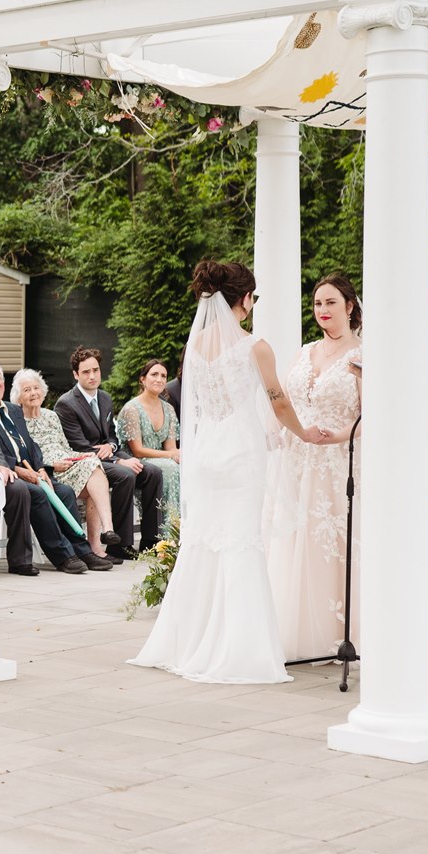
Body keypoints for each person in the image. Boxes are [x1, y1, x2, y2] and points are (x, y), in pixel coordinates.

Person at [129, 260, 326, 685]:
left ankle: (188, 640)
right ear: (244, 299)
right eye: (252, 297)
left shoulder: (195, 344)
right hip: (240, 450)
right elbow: (278, 401)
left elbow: (194, 403)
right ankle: (239, 649)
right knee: (240, 542)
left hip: (208, 450)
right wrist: (304, 433)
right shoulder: (255, 346)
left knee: (204, 543)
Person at [266, 277, 363, 664]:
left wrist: (337, 436)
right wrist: (279, 433)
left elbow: (371, 415)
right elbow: (285, 401)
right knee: (293, 540)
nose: (323, 309)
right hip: (296, 460)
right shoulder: (304, 352)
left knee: (333, 543)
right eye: (317, 303)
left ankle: (338, 631)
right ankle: (294, 628)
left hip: (337, 462)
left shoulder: (362, 355)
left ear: (350, 307)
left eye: (331, 302)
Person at [0, 363, 97, 574]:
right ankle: (62, 556)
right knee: (37, 494)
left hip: (31, 468)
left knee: (64, 491)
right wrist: (18, 470)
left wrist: (40, 469)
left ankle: (81, 550)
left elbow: (31, 444)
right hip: (4, 472)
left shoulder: (13, 410)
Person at [56, 346, 161, 559]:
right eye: (86, 372)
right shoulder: (66, 404)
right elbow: (79, 446)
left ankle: (150, 541)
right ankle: (119, 545)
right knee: (125, 474)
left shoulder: (104, 398)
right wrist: (117, 461)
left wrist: (112, 448)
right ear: (76, 374)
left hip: (109, 454)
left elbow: (112, 436)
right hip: (85, 463)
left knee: (153, 472)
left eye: (95, 370)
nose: (92, 376)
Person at [11, 368, 121, 566]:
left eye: (36, 388)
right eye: (27, 390)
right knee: (93, 472)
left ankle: (102, 536)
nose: (34, 393)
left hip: (67, 462)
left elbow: (65, 447)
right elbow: (24, 455)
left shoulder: (51, 416)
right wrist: (50, 466)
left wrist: (80, 456)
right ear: (18, 397)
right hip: (48, 470)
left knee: (92, 464)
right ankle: (98, 540)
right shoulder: (17, 421)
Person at [117, 360, 184, 524]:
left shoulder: (168, 409)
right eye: (154, 374)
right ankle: (165, 529)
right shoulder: (132, 409)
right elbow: (138, 450)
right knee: (170, 469)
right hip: (136, 461)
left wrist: (176, 455)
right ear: (142, 379)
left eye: (163, 376)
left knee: (183, 466)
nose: (159, 379)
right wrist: (170, 455)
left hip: (162, 459)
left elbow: (171, 448)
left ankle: (182, 526)